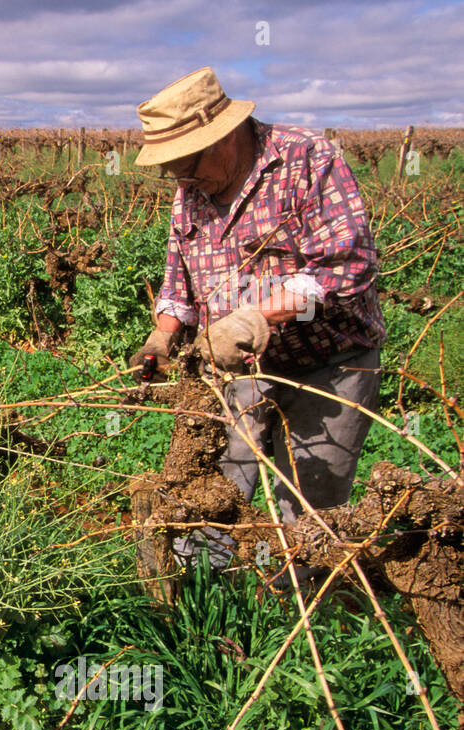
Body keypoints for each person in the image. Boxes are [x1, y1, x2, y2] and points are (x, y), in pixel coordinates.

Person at [128, 67, 385, 583]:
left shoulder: (308, 159)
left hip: (329, 367)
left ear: (222, 136)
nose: (180, 179)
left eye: (186, 163)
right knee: (217, 486)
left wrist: (254, 317)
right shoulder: (192, 186)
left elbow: (348, 266)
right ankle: (211, 603)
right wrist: (162, 334)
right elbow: (179, 282)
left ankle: (300, 614)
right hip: (240, 371)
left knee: (309, 506)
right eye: (171, 169)